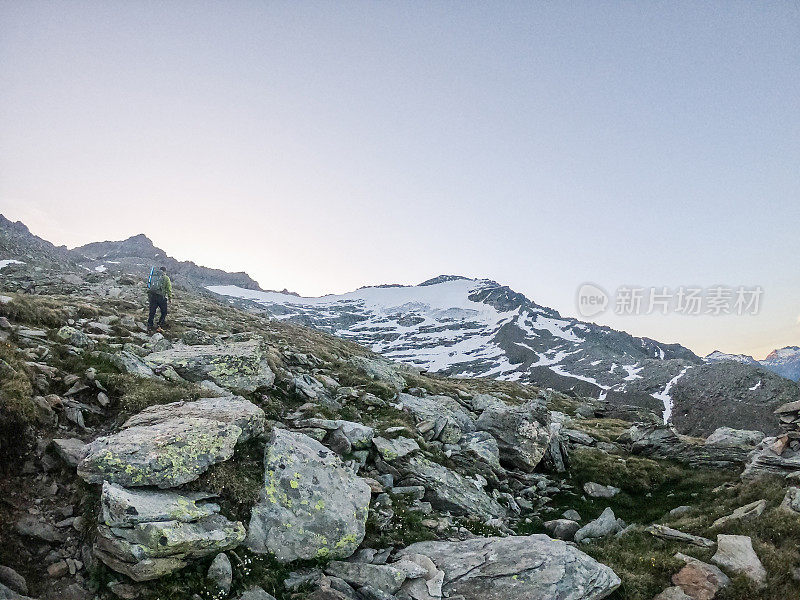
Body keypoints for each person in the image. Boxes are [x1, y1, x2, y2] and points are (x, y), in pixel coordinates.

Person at [147, 266, 172, 333]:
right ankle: (160, 324)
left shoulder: (154, 276)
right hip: (161, 297)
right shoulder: (166, 278)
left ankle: (150, 325)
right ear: (165, 271)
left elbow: (149, 286)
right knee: (164, 312)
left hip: (152, 296)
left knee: (152, 311)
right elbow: (169, 288)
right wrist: (170, 297)